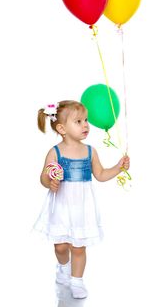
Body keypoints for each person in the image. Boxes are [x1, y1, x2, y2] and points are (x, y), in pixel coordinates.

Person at [33, 100, 130, 299]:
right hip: (61, 204)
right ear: (61, 128)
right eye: (78, 121)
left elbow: (101, 174)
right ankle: (63, 267)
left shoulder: (90, 151)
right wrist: (49, 181)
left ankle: (77, 280)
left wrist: (119, 167)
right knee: (60, 246)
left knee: (78, 247)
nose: (86, 125)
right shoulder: (55, 152)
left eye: (85, 120)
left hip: (82, 206)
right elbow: (44, 177)